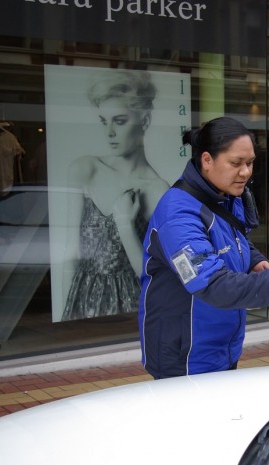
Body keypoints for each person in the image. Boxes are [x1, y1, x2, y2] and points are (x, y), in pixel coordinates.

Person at [139, 116, 269, 379]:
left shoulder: (226, 194)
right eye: (236, 163)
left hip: (220, 347)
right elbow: (212, 284)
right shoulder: (177, 215)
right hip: (184, 357)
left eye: (250, 163)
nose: (246, 172)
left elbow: (234, 239)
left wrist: (254, 260)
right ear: (207, 160)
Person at [61, 69, 169, 321]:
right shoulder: (85, 169)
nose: (109, 132)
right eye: (104, 121)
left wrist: (124, 224)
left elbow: (151, 271)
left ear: (143, 121)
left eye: (119, 121)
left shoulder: (157, 189)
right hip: (82, 299)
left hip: (131, 303)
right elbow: (70, 253)